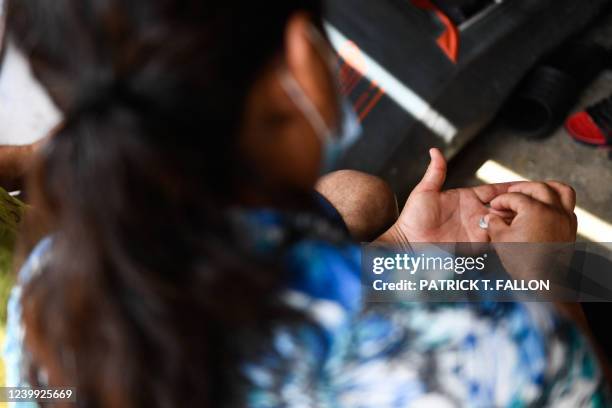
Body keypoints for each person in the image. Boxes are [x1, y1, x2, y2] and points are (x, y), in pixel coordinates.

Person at [2, 1, 608, 407]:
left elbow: (300, 295)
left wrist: (405, 253)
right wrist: (544, 277)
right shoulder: (493, 346)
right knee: (594, 281)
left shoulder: (49, 289)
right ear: (302, 59)